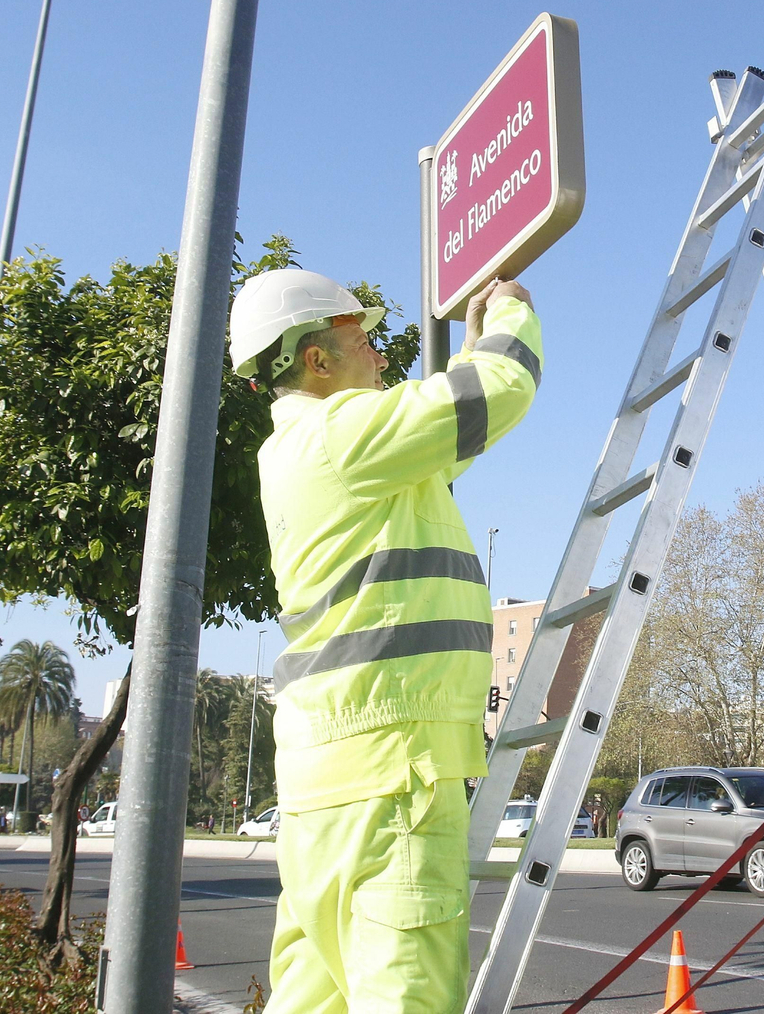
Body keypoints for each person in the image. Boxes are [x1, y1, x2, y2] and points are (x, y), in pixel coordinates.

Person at [228, 267, 542, 1013]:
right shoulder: (340, 436)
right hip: (391, 771)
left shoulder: (303, 449)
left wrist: (467, 348)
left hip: (324, 789)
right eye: (360, 339)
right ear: (316, 359)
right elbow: (499, 390)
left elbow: (446, 436)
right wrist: (509, 314)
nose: (378, 353)